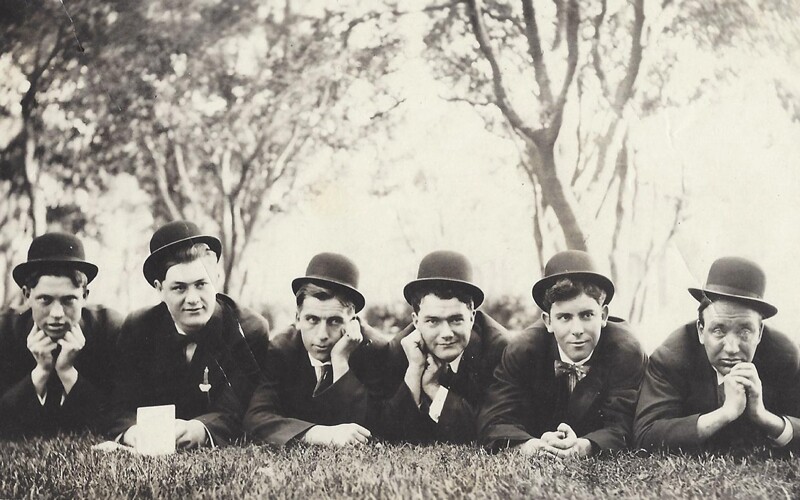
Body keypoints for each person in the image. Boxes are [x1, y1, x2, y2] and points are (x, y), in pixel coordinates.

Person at [107, 220, 269, 448]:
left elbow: (239, 408)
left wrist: (199, 430)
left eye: (202, 284)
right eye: (179, 288)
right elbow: (121, 403)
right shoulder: (138, 327)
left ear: (217, 281)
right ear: (159, 289)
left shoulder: (248, 329)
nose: (193, 299)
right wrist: (131, 432)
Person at [479, 250, 647, 457]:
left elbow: (625, 424)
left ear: (603, 316)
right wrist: (528, 446)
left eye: (586, 315)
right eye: (565, 317)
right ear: (548, 321)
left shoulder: (626, 351)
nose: (577, 329)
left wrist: (584, 446)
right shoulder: (523, 350)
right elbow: (495, 419)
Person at [634, 256, 800, 452]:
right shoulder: (671, 357)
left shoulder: (783, 356)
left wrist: (764, 417)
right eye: (718, 330)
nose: (731, 348)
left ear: (760, 332)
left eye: (745, 331)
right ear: (700, 330)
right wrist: (724, 414)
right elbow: (645, 436)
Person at [244, 253, 387, 447]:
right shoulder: (280, 350)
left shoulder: (373, 349)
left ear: (353, 320)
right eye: (312, 319)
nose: (321, 335)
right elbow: (256, 418)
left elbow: (375, 425)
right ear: (297, 318)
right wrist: (319, 434)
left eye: (335, 321)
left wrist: (340, 361)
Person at [376, 250, 509, 443]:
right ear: (416, 321)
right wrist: (414, 371)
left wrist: (432, 387)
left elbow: (489, 428)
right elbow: (389, 432)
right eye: (433, 321)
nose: (446, 333)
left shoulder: (500, 350)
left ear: (471, 317)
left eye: (456, 320)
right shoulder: (402, 347)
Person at [0, 232, 122, 436]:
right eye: (45, 300)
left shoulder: (109, 328)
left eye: (68, 300)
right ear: (27, 296)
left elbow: (114, 415)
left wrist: (67, 372)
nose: (57, 314)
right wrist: (40, 373)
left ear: (85, 296)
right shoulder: (5, 332)